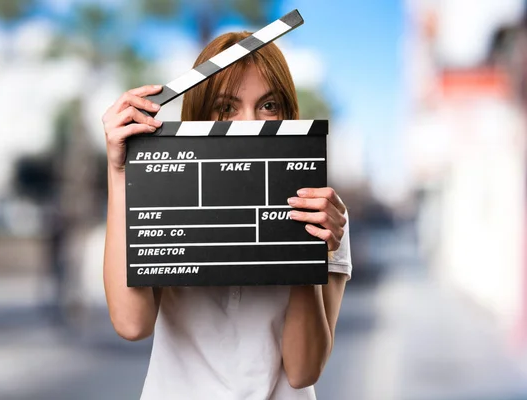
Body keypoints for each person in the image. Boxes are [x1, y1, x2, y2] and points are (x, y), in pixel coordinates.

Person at [101, 31, 352, 400]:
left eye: (268, 106)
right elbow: (131, 323)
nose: (250, 124)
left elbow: (302, 370)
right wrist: (120, 172)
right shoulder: (165, 196)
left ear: (288, 112)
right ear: (199, 116)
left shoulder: (325, 213)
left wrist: (309, 247)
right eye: (225, 108)